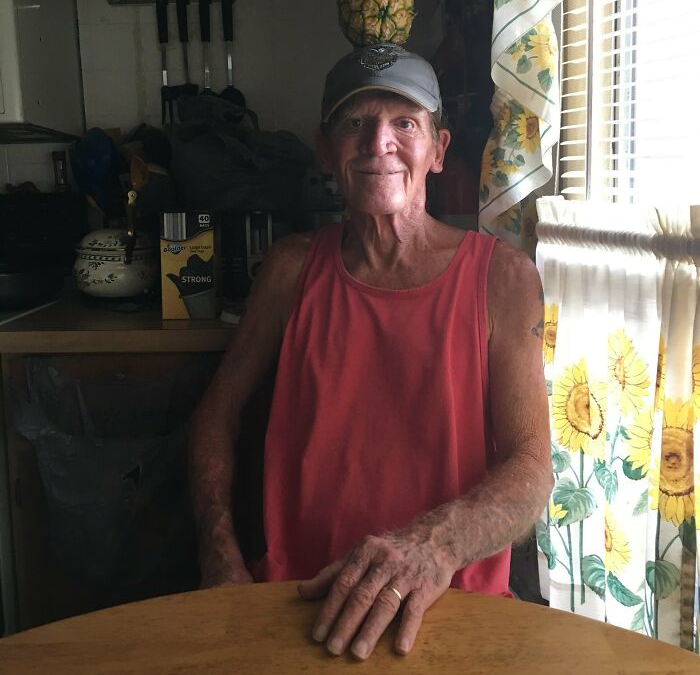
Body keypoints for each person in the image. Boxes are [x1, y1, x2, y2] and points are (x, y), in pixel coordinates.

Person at [189, 43, 552, 660]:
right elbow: (215, 416)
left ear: (437, 150)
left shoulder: (503, 279)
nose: (377, 142)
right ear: (326, 150)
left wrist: (431, 547)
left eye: (404, 123)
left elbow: (531, 469)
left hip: (450, 610)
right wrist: (218, 550)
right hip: (296, 605)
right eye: (355, 124)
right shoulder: (290, 270)